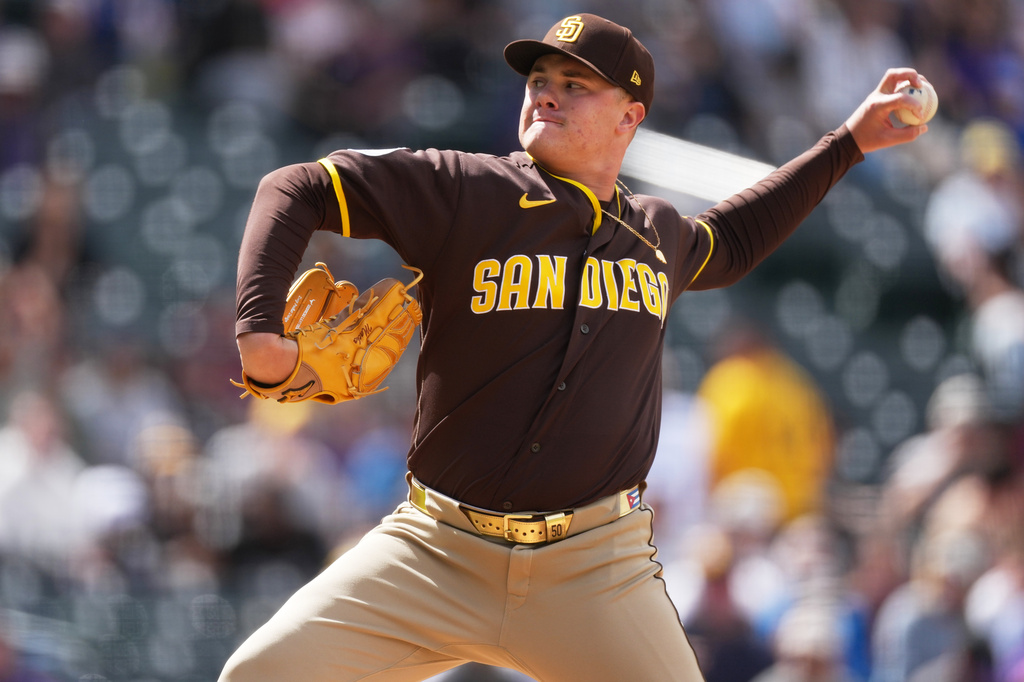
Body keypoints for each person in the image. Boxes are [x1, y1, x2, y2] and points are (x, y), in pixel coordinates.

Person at [220, 13, 929, 682]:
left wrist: (851, 140)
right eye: (538, 82)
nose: (547, 97)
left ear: (630, 116)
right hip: (434, 548)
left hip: (594, 568)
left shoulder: (657, 234)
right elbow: (297, 186)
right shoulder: (468, 190)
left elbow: (738, 237)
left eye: (575, 85)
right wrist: (259, 331)